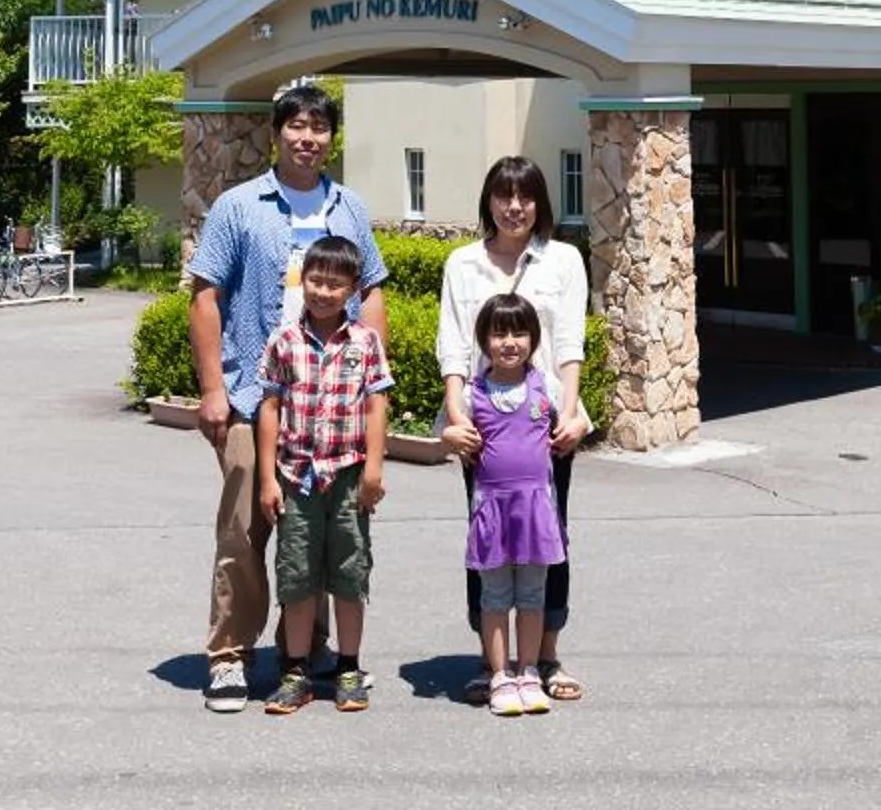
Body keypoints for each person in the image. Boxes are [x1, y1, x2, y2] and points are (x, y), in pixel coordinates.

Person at [187, 82, 391, 714]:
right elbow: (204, 296)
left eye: (320, 128)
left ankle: (306, 654)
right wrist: (214, 390)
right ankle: (230, 656)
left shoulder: (349, 207)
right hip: (256, 395)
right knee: (245, 534)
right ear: (277, 133)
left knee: (327, 536)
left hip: (332, 409)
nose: (308, 138)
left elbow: (374, 290)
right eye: (297, 127)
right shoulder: (239, 206)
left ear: (332, 137)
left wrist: (370, 375)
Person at [436, 155, 591, 704]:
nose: (514, 206)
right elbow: (453, 344)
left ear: (540, 204)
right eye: (503, 196)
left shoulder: (564, 260)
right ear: (489, 202)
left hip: (545, 420)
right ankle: (492, 662)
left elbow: (569, 343)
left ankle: (545, 656)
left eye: (525, 196)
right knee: (488, 541)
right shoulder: (463, 263)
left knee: (551, 540)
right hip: (481, 426)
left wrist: (569, 414)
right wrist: (457, 420)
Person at [254, 233, 390, 716]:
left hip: (349, 476)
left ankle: (349, 667)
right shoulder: (284, 341)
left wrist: (374, 467)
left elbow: (377, 403)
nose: (323, 291)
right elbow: (269, 407)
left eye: (335, 284)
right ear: (302, 281)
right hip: (296, 477)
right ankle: (296, 671)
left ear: (353, 289)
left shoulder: (365, 343)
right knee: (297, 576)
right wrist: (269, 478)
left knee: (350, 574)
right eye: (315, 280)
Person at [462, 292, 569, 717]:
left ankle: (528, 671)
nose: (510, 341)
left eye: (519, 332)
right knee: (494, 598)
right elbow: (446, 436)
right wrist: (454, 437)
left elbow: (574, 422)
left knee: (531, 596)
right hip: (492, 512)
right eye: (499, 332)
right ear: (484, 340)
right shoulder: (473, 394)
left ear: (534, 338)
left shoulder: (547, 386)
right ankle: (499, 675)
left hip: (536, 512)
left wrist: (572, 427)